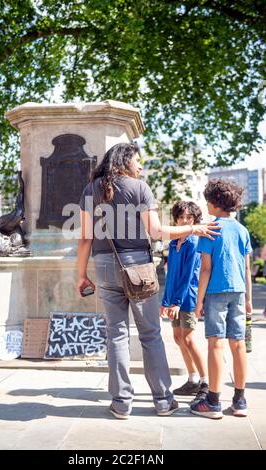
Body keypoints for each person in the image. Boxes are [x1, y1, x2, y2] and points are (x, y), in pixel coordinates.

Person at [77, 143, 220, 419]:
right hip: (138, 268)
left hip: (104, 266)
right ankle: (164, 401)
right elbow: (155, 232)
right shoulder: (139, 188)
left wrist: (81, 275)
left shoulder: (89, 189)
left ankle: (121, 403)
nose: (141, 166)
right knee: (151, 335)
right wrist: (194, 228)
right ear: (126, 161)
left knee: (116, 335)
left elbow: (85, 238)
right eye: (138, 161)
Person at [190, 179, 252, 419]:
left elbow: (205, 269)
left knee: (215, 343)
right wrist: (249, 299)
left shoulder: (210, 229)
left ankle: (213, 401)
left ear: (215, 204)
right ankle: (239, 400)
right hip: (238, 292)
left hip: (216, 291)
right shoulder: (242, 230)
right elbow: (246, 268)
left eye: (208, 200)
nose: (205, 204)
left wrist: (198, 302)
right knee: (238, 345)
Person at [160, 201, 208, 403]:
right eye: (181, 218)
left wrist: (177, 301)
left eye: (189, 218)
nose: (185, 221)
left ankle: (206, 382)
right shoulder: (173, 243)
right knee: (178, 337)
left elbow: (188, 275)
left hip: (188, 297)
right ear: (176, 220)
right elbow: (171, 275)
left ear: (195, 220)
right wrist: (166, 301)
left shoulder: (194, 243)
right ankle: (192, 379)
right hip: (174, 299)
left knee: (188, 338)